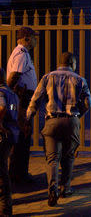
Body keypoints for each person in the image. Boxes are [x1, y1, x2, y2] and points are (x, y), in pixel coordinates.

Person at [26, 52, 91, 206]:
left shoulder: (47, 77)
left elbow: (35, 100)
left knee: (52, 159)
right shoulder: (80, 80)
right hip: (71, 121)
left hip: (52, 121)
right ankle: (65, 188)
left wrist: (28, 117)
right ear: (72, 63)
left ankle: (52, 189)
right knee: (68, 156)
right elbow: (88, 103)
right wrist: (78, 116)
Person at [7, 26, 38, 184]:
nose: (35, 40)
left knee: (22, 136)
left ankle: (19, 173)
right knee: (23, 135)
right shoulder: (21, 54)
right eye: (33, 37)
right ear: (26, 38)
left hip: (22, 98)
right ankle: (19, 175)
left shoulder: (21, 53)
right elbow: (14, 76)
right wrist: (13, 95)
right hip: (22, 99)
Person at [0, 68, 19, 216]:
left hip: (2, 134)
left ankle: (5, 208)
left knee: (1, 174)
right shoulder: (12, 94)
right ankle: (7, 206)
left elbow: (2, 108)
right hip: (11, 135)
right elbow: (14, 111)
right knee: (3, 170)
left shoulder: (0, 93)